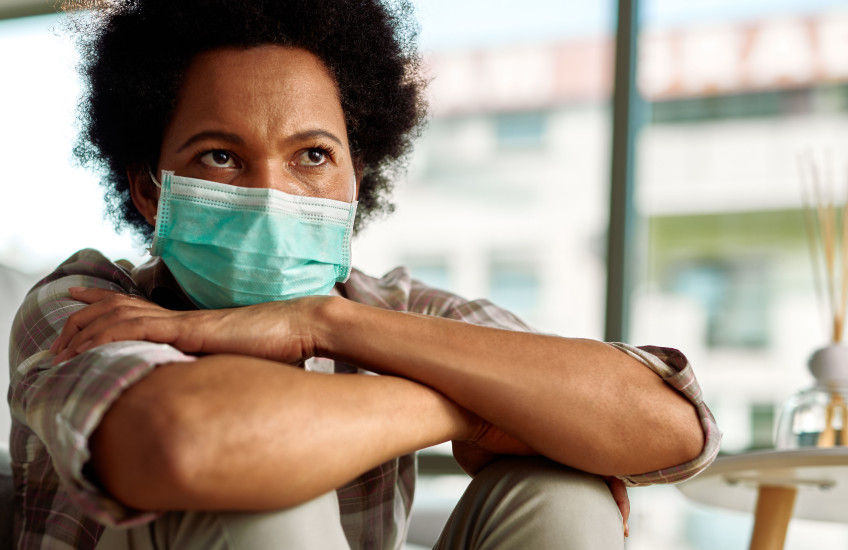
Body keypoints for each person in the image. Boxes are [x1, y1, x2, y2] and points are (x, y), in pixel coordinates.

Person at [8, 0, 721, 549]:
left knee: (561, 489)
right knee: (261, 481)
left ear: (356, 180)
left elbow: (671, 428)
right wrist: (467, 408)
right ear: (150, 189)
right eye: (220, 156)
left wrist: (323, 322)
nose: (272, 193)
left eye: (313, 156)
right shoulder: (90, 304)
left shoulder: (391, 311)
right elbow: (193, 444)